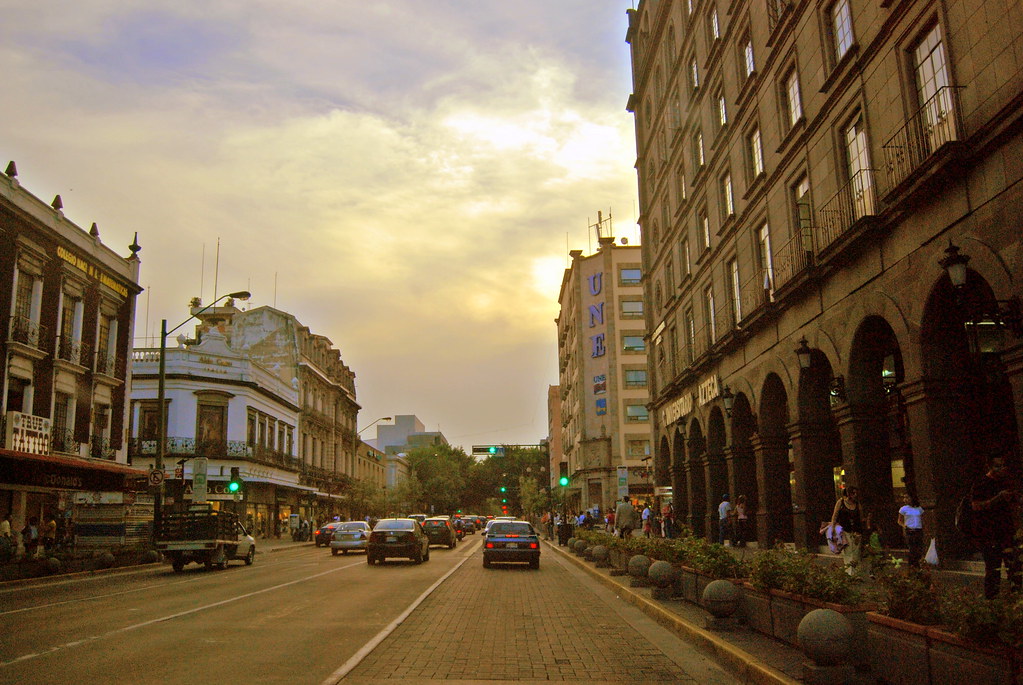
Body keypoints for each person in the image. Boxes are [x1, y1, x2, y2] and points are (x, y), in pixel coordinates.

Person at [970, 454, 1021, 599]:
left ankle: (1015, 598)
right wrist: (998, 498)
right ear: (990, 467)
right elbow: (976, 506)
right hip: (989, 534)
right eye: (997, 466)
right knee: (993, 569)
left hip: (1007, 531)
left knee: (1014, 567)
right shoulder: (981, 484)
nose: (1001, 469)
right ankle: (992, 601)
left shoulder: (1005, 482)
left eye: (1003, 465)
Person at [830, 486, 865, 576]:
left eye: (856, 493)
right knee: (848, 552)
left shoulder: (857, 504)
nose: (855, 495)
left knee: (856, 553)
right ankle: (849, 573)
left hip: (856, 532)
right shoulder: (841, 502)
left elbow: (861, 518)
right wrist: (833, 528)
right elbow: (835, 516)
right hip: (845, 531)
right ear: (849, 494)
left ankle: (856, 573)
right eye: (853, 493)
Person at [897, 493, 925, 567]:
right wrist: (904, 526)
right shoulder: (903, 509)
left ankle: (918, 563)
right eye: (904, 498)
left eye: (907, 497)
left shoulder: (919, 508)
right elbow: (899, 520)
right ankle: (912, 564)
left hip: (918, 530)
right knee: (912, 548)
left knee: (919, 548)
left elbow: (923, 519)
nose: (905, 500)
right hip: (910, 530)